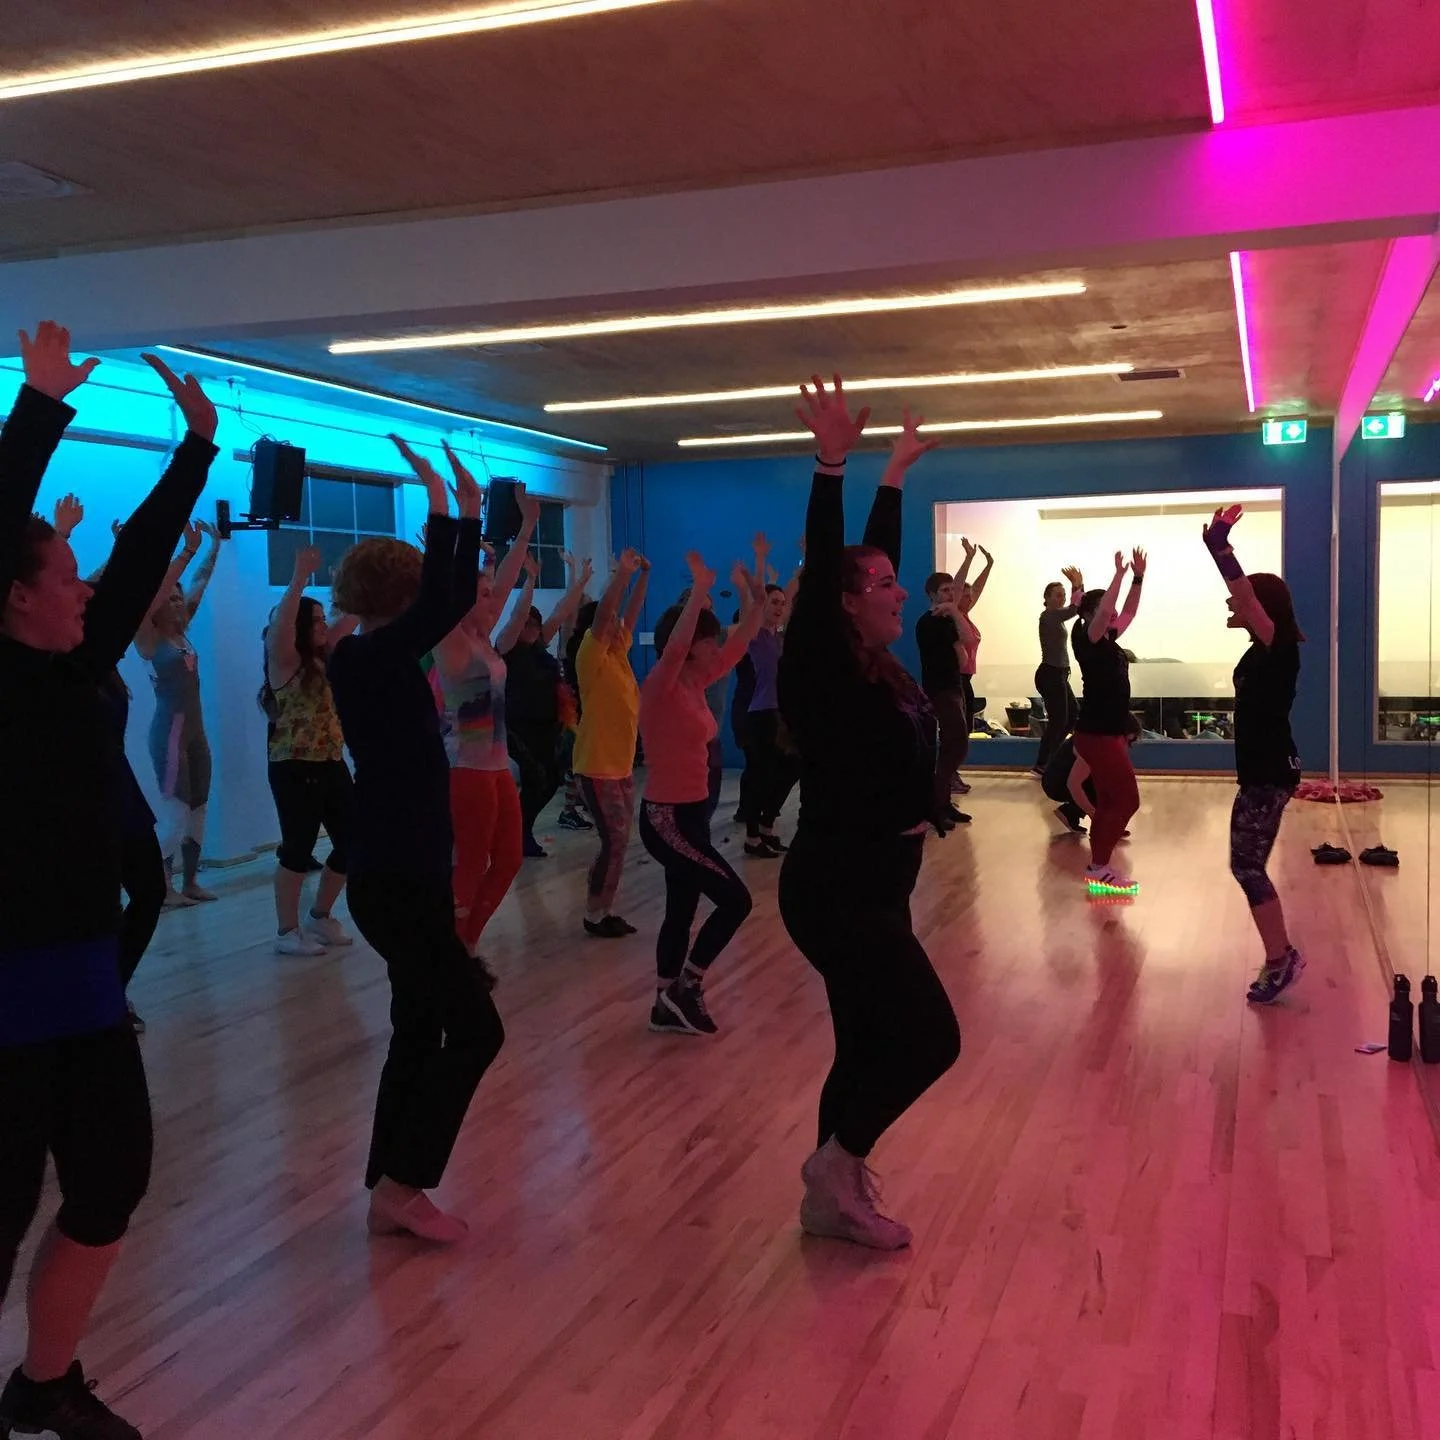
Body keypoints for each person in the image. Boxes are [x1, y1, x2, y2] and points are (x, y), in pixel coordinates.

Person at [0, 327, 218, 1440]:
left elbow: (133, 574)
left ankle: (43, 1386)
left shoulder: (76, 668)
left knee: (107, 1186)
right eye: (62, 578)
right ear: (12, 596)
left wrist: (194, 453)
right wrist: (37, 410)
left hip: (82, 985)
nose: (82, 592)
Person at [778, 379, 961, 1252]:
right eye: (881, 584)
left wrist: (892, 473)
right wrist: (833, 464)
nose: (897, 590)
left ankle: (831, 1200)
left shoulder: (875, 665)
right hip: (837, 884)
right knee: (929, 1036)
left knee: (861, 1043)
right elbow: (831, 568)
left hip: (881, 881)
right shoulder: (822, 664)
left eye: (893, 580)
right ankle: (834, 1162)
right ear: (845, 603)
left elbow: (867, 556)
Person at [327, 436, 503, 1245]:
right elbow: (449, 597)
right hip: (394, 877)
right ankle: (403, 1183)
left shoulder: (379, 656)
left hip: (407, 870)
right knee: (475, 1028)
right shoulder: (367, 658)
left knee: (417, 1025)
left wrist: (457, 511)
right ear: (404, 595)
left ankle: (386, 1188)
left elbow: (450, 597)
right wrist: (450, 507)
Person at [638, 554, 765, 1034]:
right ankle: (685, 986)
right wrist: (697, 592)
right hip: (666, 819)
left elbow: (745, 637)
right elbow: (673, 650)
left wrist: (753, 592)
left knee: (682, 909)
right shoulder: (662, 685)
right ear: (690, 645)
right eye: (708, 643)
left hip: (692, 815)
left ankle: (662, 1003)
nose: (717, 650)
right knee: (736, 901)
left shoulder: (697, 681)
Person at [54, 496, 164, 1036]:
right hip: (79, 797)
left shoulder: (103, 656)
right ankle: (92, 1003)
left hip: (118, 789)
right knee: (90, 907)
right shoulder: (57, 664)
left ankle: (108, 992)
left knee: (148, 893)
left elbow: (132, 592)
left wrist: (169, 553)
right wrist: (62, 532)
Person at [1202, 504, 1305, 1003]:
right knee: (1247, 864)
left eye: (1240, 599)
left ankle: (1281, 958)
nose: (1229, 601)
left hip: (1268, 773)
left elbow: (1243, 591)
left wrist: (1221, 547)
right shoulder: (1260, 647)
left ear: (1261, 608)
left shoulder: (1277, 643)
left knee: (1246, 865)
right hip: (1262, 772)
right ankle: (1281, 954)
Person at [433, 490, 540, 959]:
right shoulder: (451, 641)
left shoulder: (488, 643)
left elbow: (507, 586)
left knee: (510, 859)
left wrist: (528, 527)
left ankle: (466, 942)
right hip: (466, 769)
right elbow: (451, 589)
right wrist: (458, 539)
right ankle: (454, 946)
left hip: (495, 767)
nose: (492, 599)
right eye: (481, 594)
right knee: (472, 861)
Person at [261, 544, 359, 957]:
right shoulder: (285, 660)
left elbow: (354, 614)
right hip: (293, 766)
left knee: (354, 842)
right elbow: (283, 625)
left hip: (331, 762)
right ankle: (286, 932)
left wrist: (360, 582)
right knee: (297, 849)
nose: (324, 625)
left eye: (323, 619)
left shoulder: (325, 655)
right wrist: (298, 577)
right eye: (316, 621)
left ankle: (319, 916)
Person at [135, 515, 226, 904]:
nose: (177, 600)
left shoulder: (183, 631)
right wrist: (186, 552)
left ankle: (190, 881)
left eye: (178, 596)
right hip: (168, 733)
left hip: (196, 732)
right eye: (170, 597)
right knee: (176, 810)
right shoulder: (148, 637)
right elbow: (153, 595)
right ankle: (161, 886)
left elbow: (201, 583)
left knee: (200, 805)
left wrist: (214, 547)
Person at [572, 549, 649, 938]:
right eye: (613, 622)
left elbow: (628, 614)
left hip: (620, 767)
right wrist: (622, 575)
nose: (620, 624)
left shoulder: (619, 655)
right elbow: (606, 616)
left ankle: (604, 908)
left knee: (617, 842)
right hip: (596, 765)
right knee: (614, 840)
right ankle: (594, 912)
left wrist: (644, 579)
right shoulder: (592, 656)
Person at [502, 551, 590, 858]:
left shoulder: (540, 643)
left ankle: (520, 831)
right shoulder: (508, 648)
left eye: (535, 624)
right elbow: (516, 615)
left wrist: (580, 581)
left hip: (546, 724)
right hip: (518, 725)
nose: (532, 627)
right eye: (527, 622)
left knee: (550, 780)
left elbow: (564, 610)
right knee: (535, 778)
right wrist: (531, 579)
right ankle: (518, 835)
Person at [1072, 548, 1146, 893]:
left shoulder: (1107, 639)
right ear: (1089, 613)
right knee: (1128, 800)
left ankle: (1098, 867)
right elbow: (1105, 610)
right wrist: (1117, 574)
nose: (1114, 615)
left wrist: (1138, 577)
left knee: (1109, 801)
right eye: (1105, 610)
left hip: (1109, 731)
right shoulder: (1086, 638)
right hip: (1097, 733)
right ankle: (1100, 865)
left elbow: (1129, 610)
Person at [741, 575, 799, 858]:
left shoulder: (779, 638)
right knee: (761, 776)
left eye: (782, 603)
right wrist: (760, 566)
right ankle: (752, 837)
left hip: (782, 713)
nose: (779, 607)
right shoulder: (753, 634)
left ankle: (767, 826)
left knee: (791, 769)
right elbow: (755, 604)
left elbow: (789, 598)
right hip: (760, 713)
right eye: (773, 602)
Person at [914, 573, 971, 827]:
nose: (950, 594)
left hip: (954, 686)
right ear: (932, 594)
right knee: (954, 743)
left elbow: (968, 643)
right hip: (940, 690)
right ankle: (936, 804)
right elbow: (965, 644)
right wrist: (954, 613)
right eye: (945, 590)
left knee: (956, 745)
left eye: (951, 590)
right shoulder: (929, 622)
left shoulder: (947, 620)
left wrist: (955, 612)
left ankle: (943, 802)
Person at [1043, 714, 1140, 833]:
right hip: (1054, 783)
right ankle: (1072, 812)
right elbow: (1073, 784)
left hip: (1061, 778)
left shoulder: (1103, 741)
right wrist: (1096, 818)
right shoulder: (1093, 745)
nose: (1126, 746)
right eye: (1126, 740)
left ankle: (1070, 813)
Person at [1032, 566, 1085, 776]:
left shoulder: (1057, 618)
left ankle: (1052, 759)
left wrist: (1078, 586)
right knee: (1059, 721)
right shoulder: (1048, 616)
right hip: (1050, 674)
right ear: (1046, 598)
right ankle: (1042, 763)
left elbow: (1074, 608)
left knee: (1071, 716)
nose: (1061, 598)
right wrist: (1077, 585)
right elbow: (1075, 609)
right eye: (1058, 595)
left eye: (1064, 595)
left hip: (1059, 675)